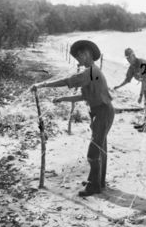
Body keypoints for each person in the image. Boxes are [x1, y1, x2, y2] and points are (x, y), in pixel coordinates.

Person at [31, 40, 114, 197]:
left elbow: (67, 81)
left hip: (103, 112)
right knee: (100, 148)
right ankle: (98, 182)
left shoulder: (90, 72)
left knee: (93, 152)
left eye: (80, 56)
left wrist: (42, 85)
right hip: (101, 112)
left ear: (88, 54)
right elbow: (84, 96)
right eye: (77, 57)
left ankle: (94, 186)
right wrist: (63, 99)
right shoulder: (93, 71)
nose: (78, 59)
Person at [114, 48, 146, 133]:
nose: (128, 59)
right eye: (127, 58)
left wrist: (140, 95)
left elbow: (144, 81)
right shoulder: (132, 67)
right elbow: (127, 80)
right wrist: (118, 86)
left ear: (134, 55)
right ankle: (145, 125)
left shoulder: (142, 63)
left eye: (129, 57)